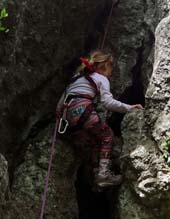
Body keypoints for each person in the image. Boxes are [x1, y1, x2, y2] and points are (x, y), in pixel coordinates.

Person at [57, 50, 143, 189]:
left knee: (95, 141)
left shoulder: (77, 77)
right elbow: (108, 103)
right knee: (107, 135)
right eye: (111, 67)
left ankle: (96, 170)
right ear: (104, 66)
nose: (112, 71)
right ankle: (103, 174)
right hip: (83, 110)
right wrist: (130, 108)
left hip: (68, 116)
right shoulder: (101, 78)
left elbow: (62, 101)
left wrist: (60, 117)